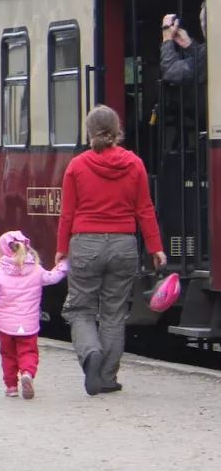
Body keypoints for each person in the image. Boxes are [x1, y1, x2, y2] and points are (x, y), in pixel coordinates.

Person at [56, 105, 166, 396]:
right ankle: (106, 377)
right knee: (114, 313)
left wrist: (60, 250)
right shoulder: (135, 164)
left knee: (80, 309)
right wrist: (155, 247)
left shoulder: (77, 166)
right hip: (123, 244)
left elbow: (67, 214)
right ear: (118, 132)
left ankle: (90, 354)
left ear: (89, 132)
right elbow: (144, 209)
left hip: (85, 243)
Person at [0, 231, 69, 399]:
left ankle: (11, 387)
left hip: (5, 326)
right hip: (27, 324)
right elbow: (53, 277)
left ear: (3, 252)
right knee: (28, 352)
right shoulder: (36, 270)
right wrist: (65, 264)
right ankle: (27, 373)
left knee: (8, 355)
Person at [161, 8, 206, 86]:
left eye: (202, 20)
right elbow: (200, 63)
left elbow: (171, 73)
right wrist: (190, 47)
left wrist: (167, 38)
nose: (202, 24)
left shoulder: (209, 53)